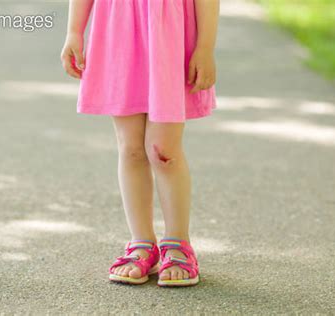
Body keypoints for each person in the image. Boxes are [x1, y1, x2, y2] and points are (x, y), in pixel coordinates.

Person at [61, 0, 219, 287]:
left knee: (164, 151)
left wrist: (205, 47)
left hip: (169, 32)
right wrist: (74, 31)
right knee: (132, 148)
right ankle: (142, 242)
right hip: (119, 31)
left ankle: (178, 242)